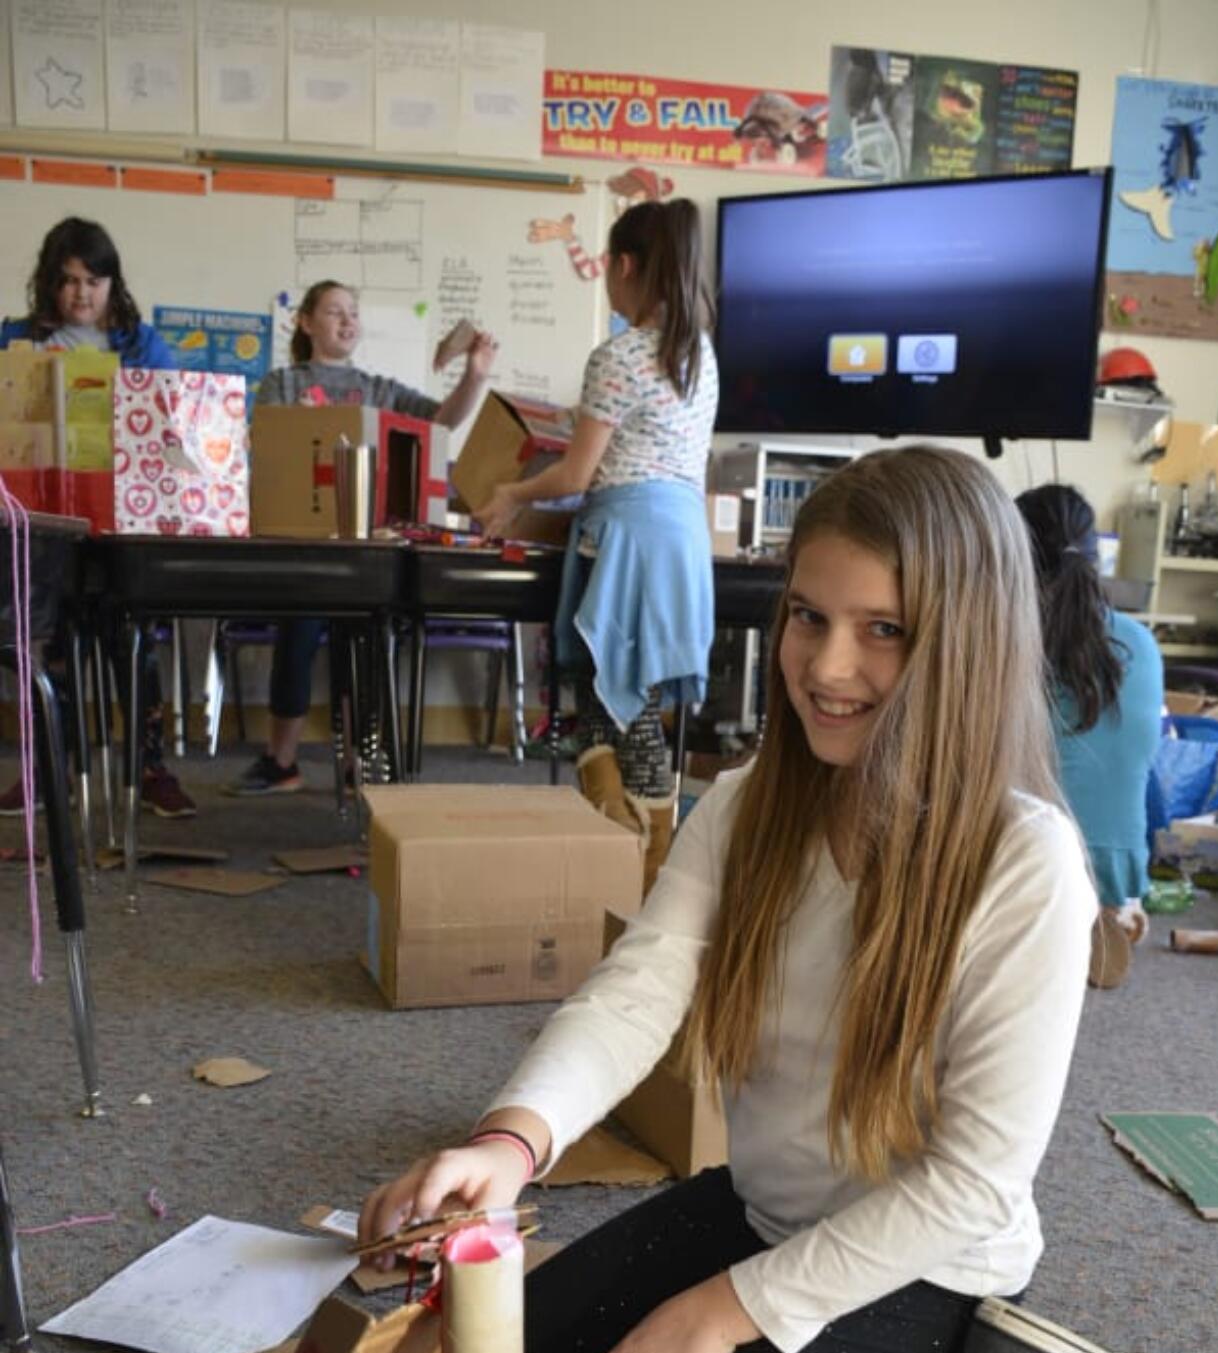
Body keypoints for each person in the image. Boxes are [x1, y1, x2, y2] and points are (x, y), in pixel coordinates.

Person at [358, 446, 1203, 1353]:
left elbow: (968, 1185)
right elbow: (639, 987)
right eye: (807, 618)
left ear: (965, 646)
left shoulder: (1025, 862)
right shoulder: (758, 796)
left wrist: (725, 1310)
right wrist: (513, 1143)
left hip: (922, 1266)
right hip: (762, 1205)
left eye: (881, 629)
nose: (825, 665)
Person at [477, 199, 719, 891]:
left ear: (624, 266)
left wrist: (511, 494)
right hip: (681, 546)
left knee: (607, 712)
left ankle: (635, 875)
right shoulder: (701, 355)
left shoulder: (619, 355)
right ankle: (641, 869)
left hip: (627, 547)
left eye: (609, 271)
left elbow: (577, 475)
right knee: (642, 709)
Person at [226, 282, 496, 795]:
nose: (348, 322)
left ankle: (359, 761)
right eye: (334, 312)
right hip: (302, 541)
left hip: (365, 545)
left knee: (366, 638)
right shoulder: (281, 383)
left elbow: (442, 424)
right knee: (297, 631)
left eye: (354, 313)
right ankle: (281, 760)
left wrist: (474, 377)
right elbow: (269, 448)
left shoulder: (379, 388)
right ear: (305, 323)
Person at [0, 218, 194, 818]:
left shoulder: (142, 344)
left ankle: (150, 766)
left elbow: (174, 433)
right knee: (36, 637)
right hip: (43, 523)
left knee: (131, 635)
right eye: (68, 280)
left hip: (119, 523)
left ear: (113, 283)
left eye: (93, 279)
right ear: (49, 285)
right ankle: (42, 767)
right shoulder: (17, 338)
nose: (81, 294)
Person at [1016, 484, 1164, 990]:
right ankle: (1107, 916)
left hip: (1032, 864)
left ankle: (1052, 923)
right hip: (1120, 873)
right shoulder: (1141, 643)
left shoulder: (1013, 640)